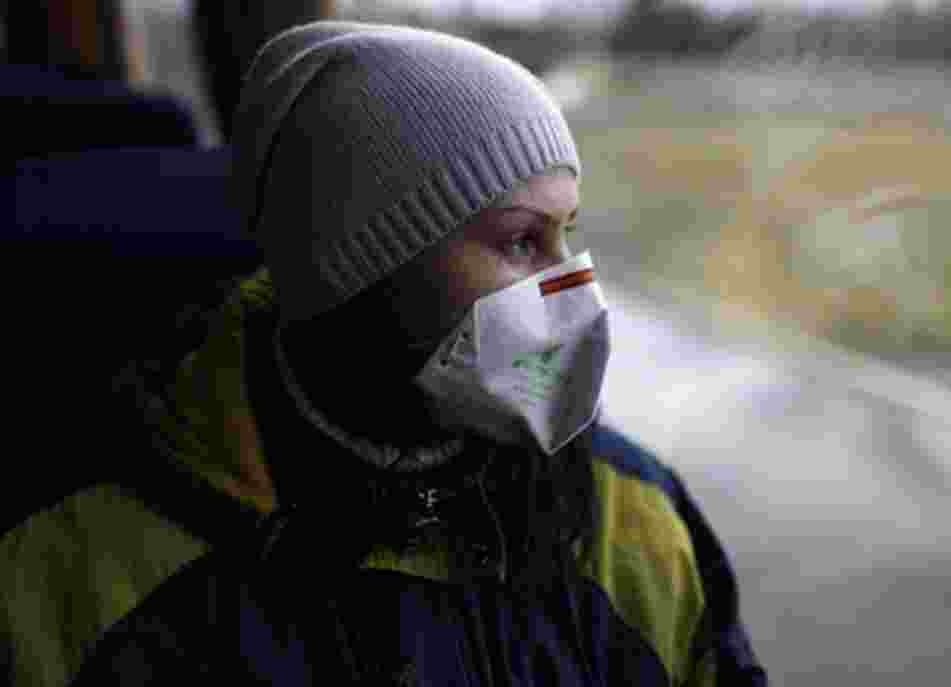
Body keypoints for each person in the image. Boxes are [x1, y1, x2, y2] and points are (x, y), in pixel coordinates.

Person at [2, 21, 768, 686]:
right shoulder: (72, 573)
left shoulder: (628, 512)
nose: (569, 289)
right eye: (520, 241)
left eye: (566, 234)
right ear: (359, 263)